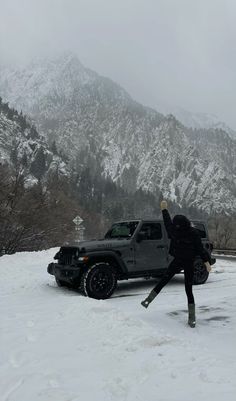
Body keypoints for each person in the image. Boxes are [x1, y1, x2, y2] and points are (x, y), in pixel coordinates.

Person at [141, 200, 212, 327]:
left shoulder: (174, 230)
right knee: (187, 289)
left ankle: (148, 300)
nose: (175, 226)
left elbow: (168, 222)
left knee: (166, 280)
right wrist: (206, 262)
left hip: (179, 261)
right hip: (186, 262)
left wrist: (164, 210)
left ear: (178, 225)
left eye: (176, 225)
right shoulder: (191, 232)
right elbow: (200, 249)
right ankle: (192, 318)